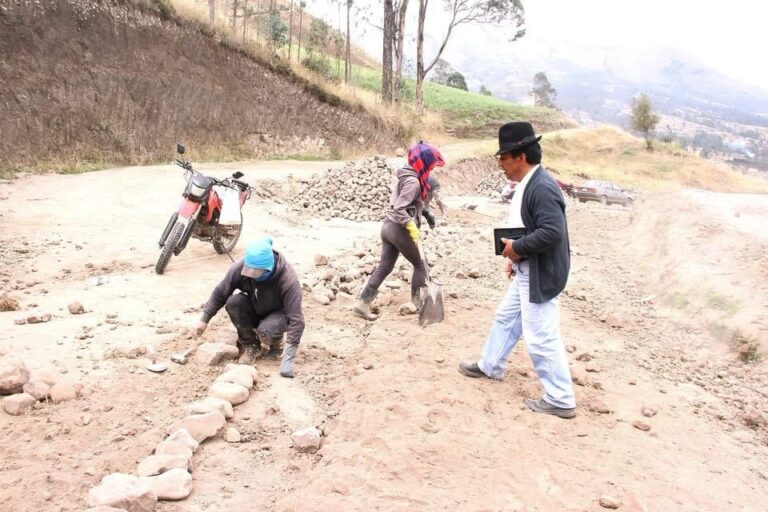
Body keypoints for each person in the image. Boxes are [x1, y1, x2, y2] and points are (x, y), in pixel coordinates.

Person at [458, 122, 577, 419]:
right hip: (528, 267)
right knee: (506, 318)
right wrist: (514, 255)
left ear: (520, 156)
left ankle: (560, 399)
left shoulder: (543, 187)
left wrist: (518, 248)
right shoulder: (529, 184)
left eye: (503, 157)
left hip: (541, 273)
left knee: (541, 336)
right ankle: (490, 365)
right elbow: (532, 227)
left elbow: (552, 232)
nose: (500, 164)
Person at [353, 142, 445, 321]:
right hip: (399, 228)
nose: (432, 168)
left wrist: (425, 213)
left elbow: (408, 203)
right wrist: (411, 226)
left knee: (385, 266)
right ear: (424, 162)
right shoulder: (413, 181)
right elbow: (400, 208)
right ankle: (419, 305)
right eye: (431, 164)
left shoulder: (407, 175)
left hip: (388, 227)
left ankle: (362, 304)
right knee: (420, 265)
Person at [195, 235, 304, 378]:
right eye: (250, 271)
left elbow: (296, 319)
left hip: (278, 314)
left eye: (257, 272)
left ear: (269, 268)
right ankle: (251, 345)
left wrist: (288, 359)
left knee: (267, 330)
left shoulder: (288, 280)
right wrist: (204, 319)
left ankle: (276, 342)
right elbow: (221, 292)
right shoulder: (240, 268)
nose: (252, 275)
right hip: (255, 305)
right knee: (233, 302)